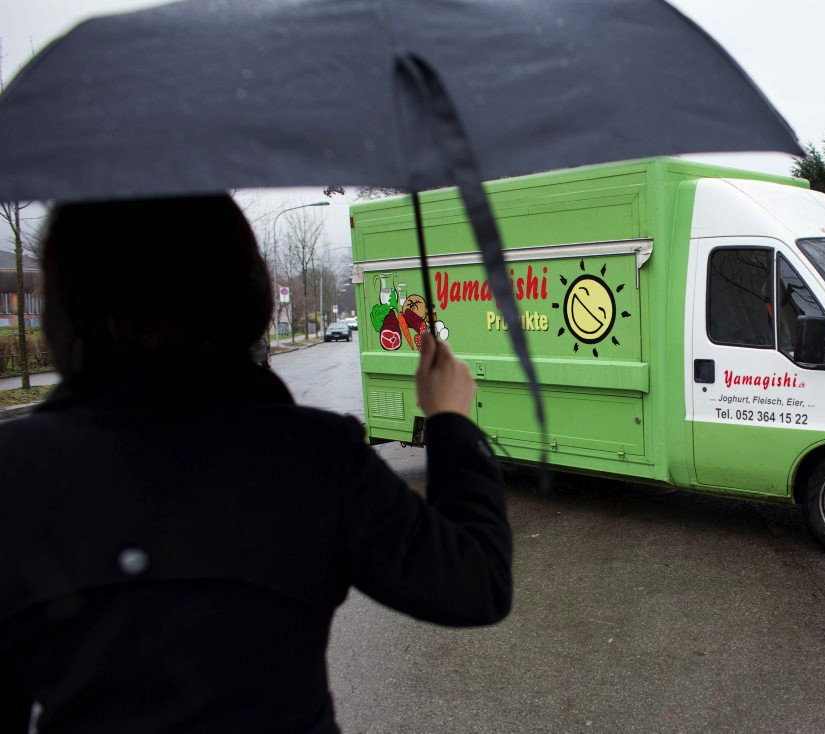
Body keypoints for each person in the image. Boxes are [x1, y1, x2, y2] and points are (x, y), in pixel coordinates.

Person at [0, 195, 512, 733]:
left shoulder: (15, 476)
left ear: (62, 307)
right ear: (246, 295)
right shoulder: (312, 456)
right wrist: (451, 419)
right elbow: (475, 583)